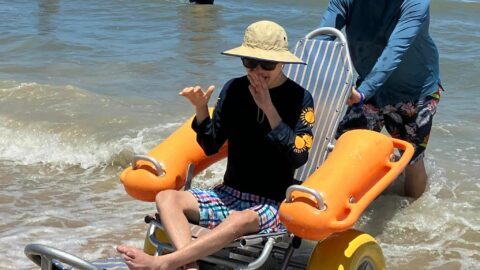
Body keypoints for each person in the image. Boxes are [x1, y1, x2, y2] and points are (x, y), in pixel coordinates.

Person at [117, 20, 315, 270]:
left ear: (282, 62)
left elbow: (299, 157)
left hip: (271, 202)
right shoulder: (234, 89)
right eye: (250, 62)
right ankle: (189, 266)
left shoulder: (300, 98)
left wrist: (268, 108)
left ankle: (163, 263)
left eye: (267, 63)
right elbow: (211, 145)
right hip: (229, 193)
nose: (258, 70)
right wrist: (201, 109)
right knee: (167, 198)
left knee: (239, 220)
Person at [320, 0, 443, 199]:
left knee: (411, 158)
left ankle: (412, 217)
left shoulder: (415, 3)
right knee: (344, 145)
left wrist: (361, 93)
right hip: (369, 88)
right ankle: (340, 201)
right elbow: (322, 38)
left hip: (415, 92)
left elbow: (395, 50)